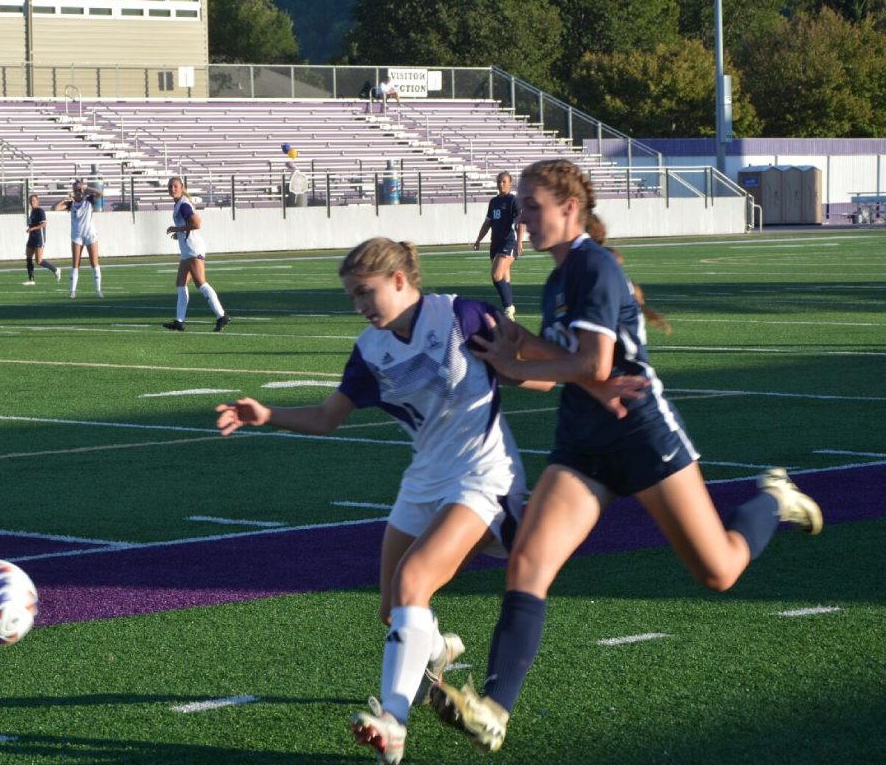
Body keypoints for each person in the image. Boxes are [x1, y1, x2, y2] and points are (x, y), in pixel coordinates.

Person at [429, 159, 824, 754]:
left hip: (639, 433)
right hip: (583, 442)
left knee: (718, 571)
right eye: (523, 206)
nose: (524, 218)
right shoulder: (562, 276)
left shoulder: (592, 266)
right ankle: (494, 709)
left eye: (534, 206)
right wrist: (517, 350)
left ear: (569, 208)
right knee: (528, 565)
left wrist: (518, 362)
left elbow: (595, 366)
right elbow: (574, 367)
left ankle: (775, 501)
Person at [215, 237, 645, 764]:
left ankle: (393, 725)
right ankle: (437, 651)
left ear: (400, 280)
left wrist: (594, 384)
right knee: (391, 610)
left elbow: (538, 365)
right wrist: (269, 414)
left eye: (367, 292)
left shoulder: (462, 315)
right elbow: (328, 417)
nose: (361, 306)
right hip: (423, 480)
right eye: (353, 297)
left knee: (412, 583)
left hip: (483, 477)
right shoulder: (370, 350)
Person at [162, 176, 230, 332]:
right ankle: (179, 321)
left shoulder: (183, 204)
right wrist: (178, 233)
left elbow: (197, 223)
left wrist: (176, 229)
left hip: (193, 249)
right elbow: (187, 225)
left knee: (200, 283)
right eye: (170, 186)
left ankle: (221, 316)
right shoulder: (179, 203)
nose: (172, 189)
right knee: (180, 283)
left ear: (181, 187)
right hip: (187, 249)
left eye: (175, 186)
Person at [472, 171, 524, 320]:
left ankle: (508, 307)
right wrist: (478, 240)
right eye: (499, 182)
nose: (501, 184)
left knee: (496, 275)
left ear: (510, 183)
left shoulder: (514, 201)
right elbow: (487, 223)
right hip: (495, 244)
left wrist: (520, 241)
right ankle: (510, 312)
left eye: (504, 182)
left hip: (509, 243)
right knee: (504, 279)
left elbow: (521, 222)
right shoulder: (493, 202)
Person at [52, 180, 103, 299]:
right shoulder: (71, 203)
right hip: (77, 236)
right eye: (76, 190)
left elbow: (100, 194)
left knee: (94, 262)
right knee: (75, 264)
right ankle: (72, 291)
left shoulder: (89, 199)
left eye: (80, 190)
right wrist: (66, 198)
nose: (79, 192)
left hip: (90, 234)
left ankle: (98, 290)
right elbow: (55, 208)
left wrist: (88, 187)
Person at [21, 194, 60, 286]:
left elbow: (44, 224)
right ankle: (31, 280)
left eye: (34, 200)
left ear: (38, 201)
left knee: (39, 261)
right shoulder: (32, 212)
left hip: (39, 238)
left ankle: (55, 269)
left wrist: (33, 228)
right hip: (32, 237)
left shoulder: (40, 211)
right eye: (31, 201)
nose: (32, 202)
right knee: (28, 257)